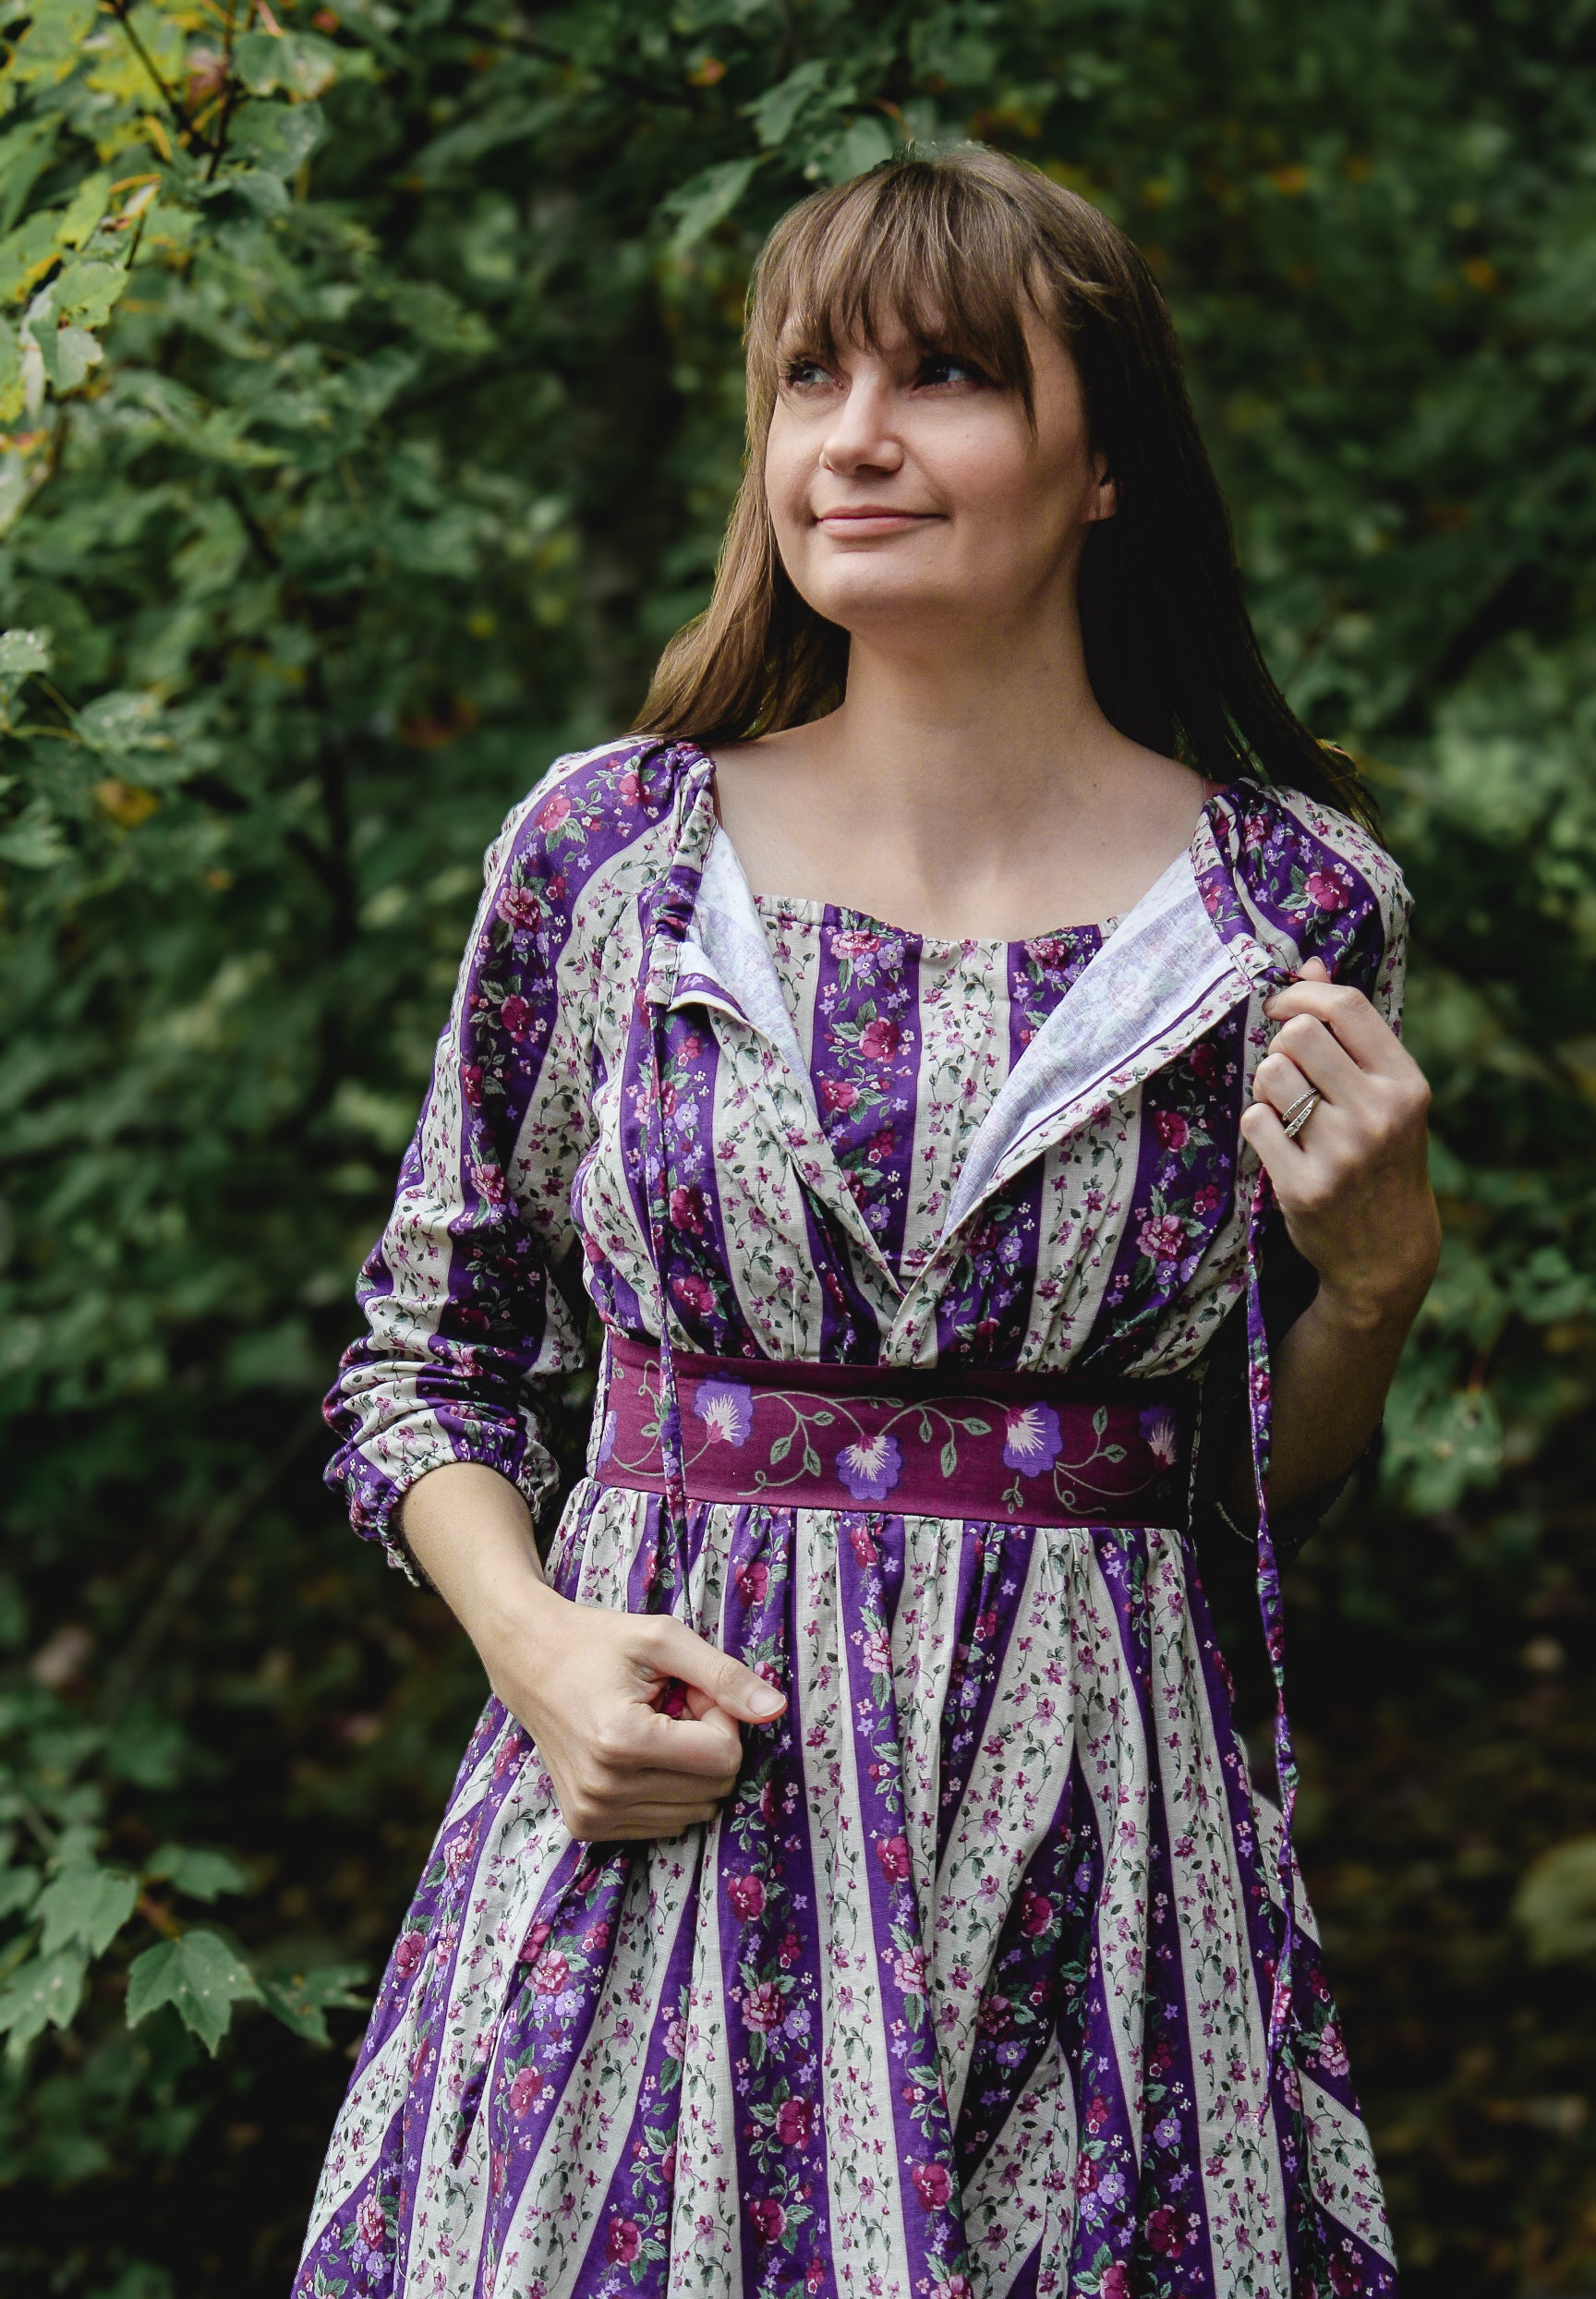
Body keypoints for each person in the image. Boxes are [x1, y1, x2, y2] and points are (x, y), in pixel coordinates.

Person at [296, 146, 1438, 2299]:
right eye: (807, 375)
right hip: (659, 1853)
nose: (855, 437)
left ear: (1104, 462)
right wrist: (540, 1657)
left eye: (944, 376)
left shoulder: (1291, 910)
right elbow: (424, 1359)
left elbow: (1235, 1494)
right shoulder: (607, 857)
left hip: (1097, 1889)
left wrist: (1377, 1286)